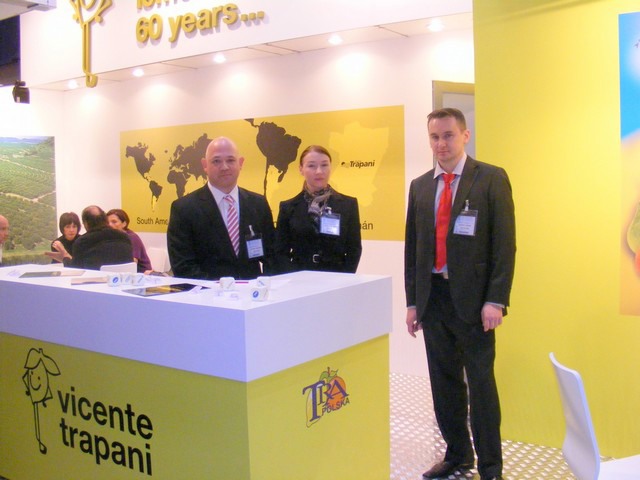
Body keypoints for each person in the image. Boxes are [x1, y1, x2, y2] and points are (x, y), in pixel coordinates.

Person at [404, 108, 516, 480]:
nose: (441, 144)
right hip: (433, 300)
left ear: (465, 136)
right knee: (444, 384)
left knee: (481, 386)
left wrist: (495, 299)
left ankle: (490, 466)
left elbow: (504, 245)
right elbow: (413, 249)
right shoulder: (420, 186)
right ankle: (457, 455)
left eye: (448, 135)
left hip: (475, 303)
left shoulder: (491, 179)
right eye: (434, 137)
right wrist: (413, 302)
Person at [167, 136, 276, 280]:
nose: (224, 167)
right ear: (205, 165)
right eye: (216, 161)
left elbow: (272, 255)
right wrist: (221, 289)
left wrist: (264, 285)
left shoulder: (258, 204)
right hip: (208, 292)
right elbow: (183, 266)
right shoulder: (184, 209)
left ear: (240, 163)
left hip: (253, 292)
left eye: (230, 160)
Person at [275, 145, 362, 273]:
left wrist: (344, 278)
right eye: (311, 166)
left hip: (337, 277)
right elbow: (280, 251)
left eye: (324, 165)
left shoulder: (348, 205)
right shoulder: (288, 207)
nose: (319, 171)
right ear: (301, 169)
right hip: (300, 277)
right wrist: (295, 278)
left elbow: (354, 249)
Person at [46, 205, 133, 270]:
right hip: (124, 283)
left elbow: (75, 270)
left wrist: (65, 257)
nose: (71, 230)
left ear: (86, 224)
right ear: (105, 219)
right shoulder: (124, 237)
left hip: (95, 285)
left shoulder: (83, 242)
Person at [106, 208, 152, 272]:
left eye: (114, 222)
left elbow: (132, 263)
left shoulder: (132, 238)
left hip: (141, 274)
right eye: (107, 222)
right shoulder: (111, 237)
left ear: (124, 224)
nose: (110, 225)